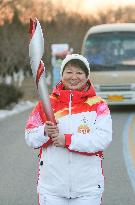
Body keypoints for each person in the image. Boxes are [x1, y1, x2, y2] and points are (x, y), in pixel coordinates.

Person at [25, 54, 112, 205]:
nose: (74, 77)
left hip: (88, 189)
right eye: (69, 72)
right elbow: (30, 138)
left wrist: (67, 140)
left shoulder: (98, 105)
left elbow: (102, 140)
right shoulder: (46, 104)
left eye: (79, 73)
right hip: (51, 189)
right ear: (62, 74)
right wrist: (44, 132)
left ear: (87, 76)